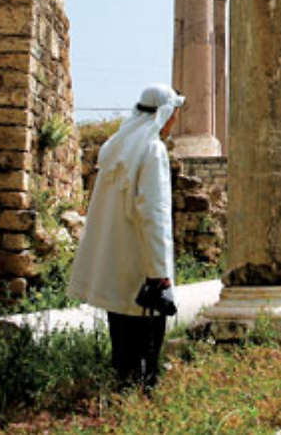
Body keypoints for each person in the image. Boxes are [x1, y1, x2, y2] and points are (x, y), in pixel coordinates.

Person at [68, 83, 182, 389]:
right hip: (140, 267)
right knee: (147, 348)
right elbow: (154, 215)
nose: (174, 122)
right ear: (164, 114)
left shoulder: (115, 146)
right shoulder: (152, 150)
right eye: (174, 114)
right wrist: (159, 274)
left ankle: (121, 395)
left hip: (114, 263)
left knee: (122, 342)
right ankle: (141, 399)